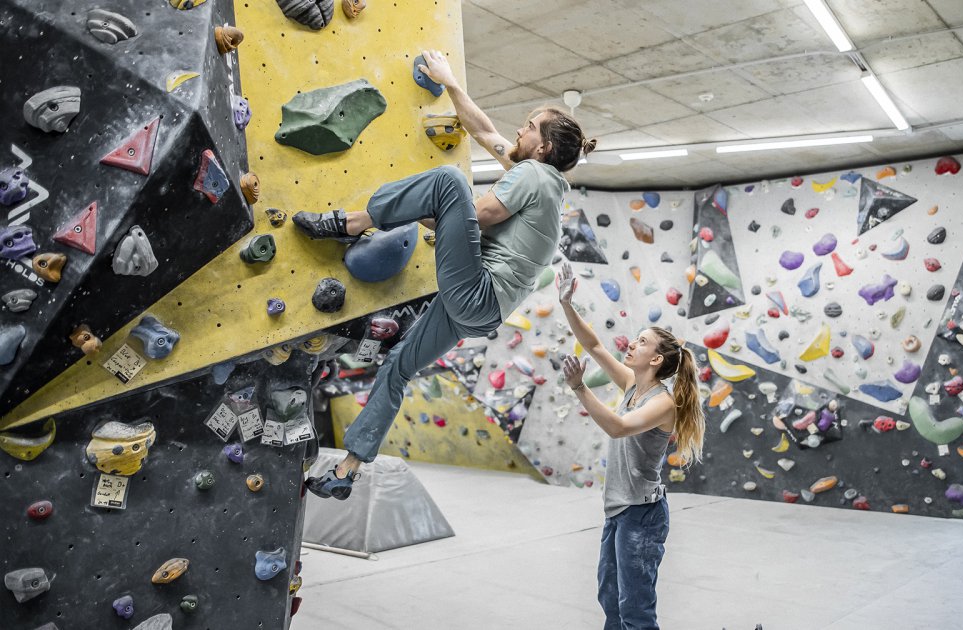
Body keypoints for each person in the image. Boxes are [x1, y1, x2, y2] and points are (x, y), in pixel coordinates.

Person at [295, 49, 596, 499]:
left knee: (449, 182)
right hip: (477, 312)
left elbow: (477, 211)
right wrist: (451, 82)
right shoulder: (542, 181)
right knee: (397, 366)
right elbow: (485, 131)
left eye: (530, 127)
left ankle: (348, 224)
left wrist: (429, 213)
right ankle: (348, 471)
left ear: (544, 148)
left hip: (477, 293)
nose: (520, 129)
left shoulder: (533, 175)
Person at [557, 261, 706, 630]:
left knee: (636, 610)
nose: (631, 343)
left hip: (642, 515)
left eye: (641, 341)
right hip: (619, 510)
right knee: (610, 598)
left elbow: (619, 427)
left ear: (656, 359)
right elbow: (592, 344)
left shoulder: (663, 402)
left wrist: (580, 388)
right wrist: (566, 304)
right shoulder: (631, 385)